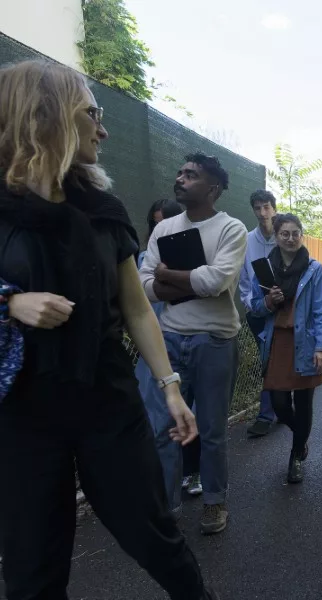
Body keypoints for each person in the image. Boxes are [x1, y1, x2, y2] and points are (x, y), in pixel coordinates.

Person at [0, 60, 216, 600]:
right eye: (92, 113)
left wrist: (170, 388)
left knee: (156, 537)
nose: (103, 127)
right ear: (47, 115)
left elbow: (138, 308)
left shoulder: (103, 209)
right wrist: (10, 301)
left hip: (105, 398)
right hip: (22, 413)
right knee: (32, 567)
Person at [140, 152, 247, 535]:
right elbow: (144, 287)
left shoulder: (231, 229)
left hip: (216, 341)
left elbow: (215, 282)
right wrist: (177, 279)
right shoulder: (163, 229)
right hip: (168, 339)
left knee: (212, 429)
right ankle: (167, 508)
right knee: (161, 428)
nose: (181, 178)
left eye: (192, 175)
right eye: (181, 172)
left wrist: (168, 276)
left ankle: (215, 502)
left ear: (213, 189)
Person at [249, 214, 322, 483]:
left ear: (301, 236)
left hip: (305, 342)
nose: (291, 238)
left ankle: (295, 455)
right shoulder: (264, 268)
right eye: (285, 233)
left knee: (303, 402)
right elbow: (254, 306)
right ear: (276, 236)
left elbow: (321, 310)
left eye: (296, 233)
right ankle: (302, 436)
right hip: (277, 342)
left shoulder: (314, 269)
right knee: (280, 403)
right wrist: (269, 302)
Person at [136, 199, 202, 497]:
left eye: (166, 224)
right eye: (154, 224)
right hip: (153, 354)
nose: (158, 231)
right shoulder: (140, 261)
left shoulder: (196, 260)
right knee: (158, 426)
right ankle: (168, 501)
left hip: (189, 347)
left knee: (195, 420)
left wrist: (168, 278)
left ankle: (196, 472)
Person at [238, 189, 279, 438]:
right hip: (257, 311)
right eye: (257, 208)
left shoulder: (284, 235)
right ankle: (281, 405)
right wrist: (249, 304)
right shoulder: (247, 239)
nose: (262, 213)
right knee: (270, 359)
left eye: (266, 207)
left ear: (274, 208)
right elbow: (243, 277)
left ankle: (267, 414)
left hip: (282, 310)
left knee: (270, 359)